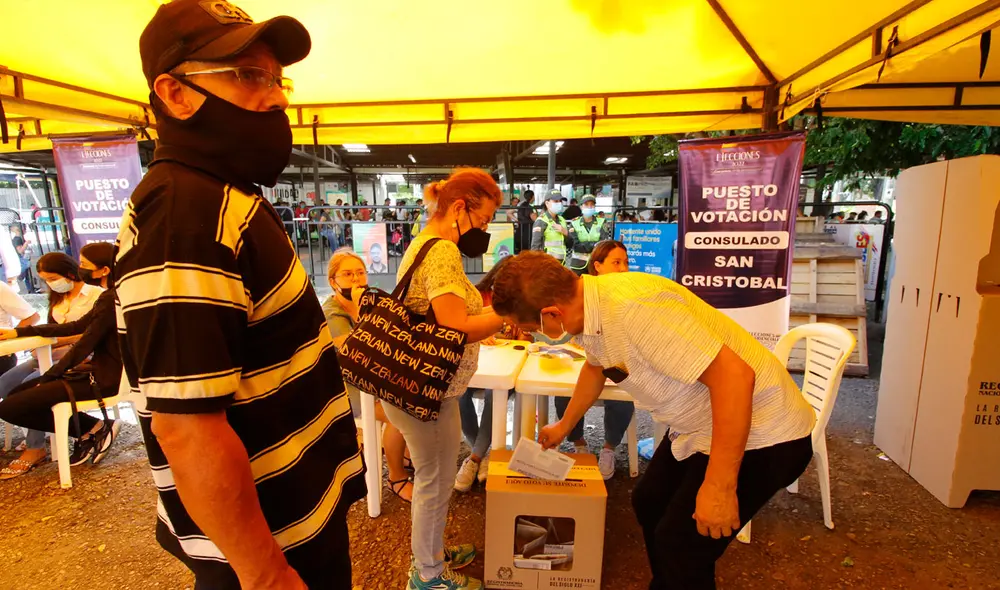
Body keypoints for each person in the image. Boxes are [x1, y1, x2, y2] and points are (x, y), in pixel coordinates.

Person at [116, 3, 366, 588]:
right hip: (267, 551)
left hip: (293, 522)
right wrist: (265, 575)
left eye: (279, 79)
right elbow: (186, 428)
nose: (278, 98)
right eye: (249, 75)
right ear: (175, 94)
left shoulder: (222, 195)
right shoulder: (186, 217)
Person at [491, 251, 815, 590]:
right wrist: (563, 425)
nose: (535, 335)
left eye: (533, 329)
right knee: (649, 502)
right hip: (700, 426)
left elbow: (735, 379)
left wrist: (720, 487)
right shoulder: (590, 305)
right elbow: (596, 365)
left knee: (682, 544)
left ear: (551, 313)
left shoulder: (636, 310)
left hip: (766, 433)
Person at [391, 168, 505, 590]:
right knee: (435, 483)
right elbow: (455, 327)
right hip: (428, 395)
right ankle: (428, 575)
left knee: (433, 478)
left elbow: (444, 313)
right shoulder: (442, 251)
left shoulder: (426, 243)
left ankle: (430, 554)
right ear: (459, 208)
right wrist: (507, 315)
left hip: (421, 389)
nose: (484, 230)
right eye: (483, 220)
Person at [0, 242, 121, 479]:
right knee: (13, 396)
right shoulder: (109, 297)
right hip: (92, 371)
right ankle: (92, 429)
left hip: (104, 376)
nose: (80, 270)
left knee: (12, 405)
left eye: (85, 265)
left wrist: (51, 375)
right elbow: (74, 326)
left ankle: (91, 428)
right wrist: (19, 332)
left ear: (103, 270)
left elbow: (84, 343)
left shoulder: (110, 299)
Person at [323, 248, 413, 502]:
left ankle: (404, 455)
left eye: (360, 273)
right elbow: (355, 351)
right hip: (345, 388)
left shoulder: (368, 302)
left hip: (374, 379)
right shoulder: (332, 312)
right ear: (333, 281)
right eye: (347, 274)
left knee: (415, 401)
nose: (355, 280)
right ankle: (396, 477)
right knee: (400, 415)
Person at [550, 240, 633, 479]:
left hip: (619, 366)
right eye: (616, 262)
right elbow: (562, 334)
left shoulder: (631, 296)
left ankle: (609, 448)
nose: (623, 268)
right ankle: (579, 445)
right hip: (585, 363)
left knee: (622, 398)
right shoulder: (584, 295)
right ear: (597, 266)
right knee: (564, 392)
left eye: (625, 262)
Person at [454, 258, 530, 493]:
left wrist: (519, 338)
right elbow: (465, 329)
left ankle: (474, 458)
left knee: (493, 394)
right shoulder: (477, 296)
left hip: (506, 371)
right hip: (476, 368)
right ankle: (485, 451)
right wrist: (480, 333)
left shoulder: (524, 302)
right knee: (460, 393)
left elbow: (528, 340)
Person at [565, 195, 612, 275]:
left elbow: (603, 244)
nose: (589, 207)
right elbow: (576, 246)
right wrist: (594, 245)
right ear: (581, 207)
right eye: (586, 204)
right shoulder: (574, 223)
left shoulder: (602, 222)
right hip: (578, 266)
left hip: (596, 264)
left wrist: (585, 245)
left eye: (592, 204)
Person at [530, 189, 569, 261]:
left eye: (560, 201)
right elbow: (535, 247)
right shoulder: (541, 221)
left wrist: (565, 232)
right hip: (547, 265)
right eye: (556, 201)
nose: (559, 203)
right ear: (547, 203)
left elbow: (569, 243)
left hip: (561, 264)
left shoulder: (562, 220)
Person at [9, 224, 37, 294]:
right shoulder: (17, 239)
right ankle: (20, 275)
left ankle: (30, 288)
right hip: (21, 258)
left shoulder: (19, 238)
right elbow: (20, 250)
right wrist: (26, 243)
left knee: (27, 275)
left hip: (23, 257)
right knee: (26, 267)